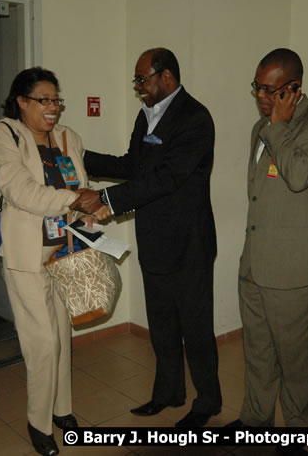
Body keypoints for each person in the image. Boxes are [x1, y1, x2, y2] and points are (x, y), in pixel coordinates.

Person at [71, 48, 221, 428]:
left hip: (189, 245)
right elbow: (133, 167)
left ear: (166, 77)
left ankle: (208, 400)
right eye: (136, 81)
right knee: (162, 324)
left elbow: (167, 178)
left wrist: (106, 199)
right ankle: (168, 392)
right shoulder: (145, 116)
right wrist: (79, 156)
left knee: (196, 327)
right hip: (154, 239)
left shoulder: (195, 119)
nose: (138, 87)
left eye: (143, 79)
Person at [227, 49, 308, 454]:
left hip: (294, 270)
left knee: (297, 361)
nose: (261, 96)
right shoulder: (262, 126)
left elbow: (299, 176)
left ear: (294, 89)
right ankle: (256, 420)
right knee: (257, 351)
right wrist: (271, 123)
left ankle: (298, 436)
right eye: (257, 87)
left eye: (271, 90)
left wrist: (277, 125)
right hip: (256, 262)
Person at [0, 67, 97, 456]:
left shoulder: (69, 138)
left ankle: (61, 409)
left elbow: (79, 186)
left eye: (56, 100)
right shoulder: (4, 134)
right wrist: (74, 199)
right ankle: (38, 422)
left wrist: (92, 210)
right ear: (22, 101)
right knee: (42, 342)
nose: (52, 108)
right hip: (25, 254)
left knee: (62, 337)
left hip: (63, 250)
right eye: (43, 100)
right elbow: (18, 190)